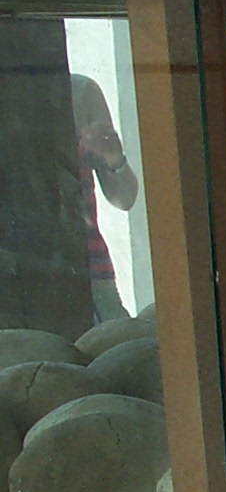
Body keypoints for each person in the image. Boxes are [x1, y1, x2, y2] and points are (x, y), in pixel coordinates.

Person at [70, 73, 138, 324]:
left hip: (90, 274)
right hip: (15, 285)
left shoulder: (80, 92)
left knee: (119, 346)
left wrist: (114, 157)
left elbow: (124, 198)